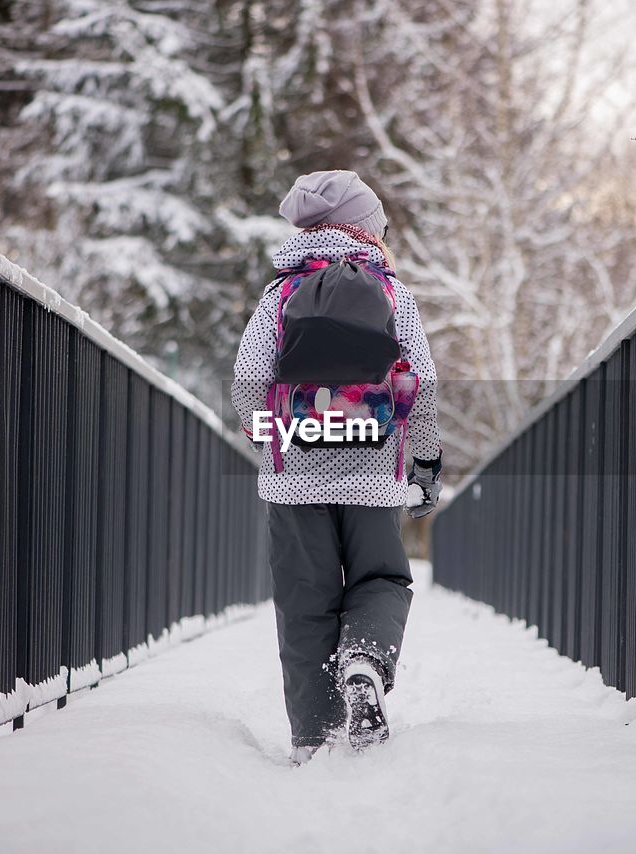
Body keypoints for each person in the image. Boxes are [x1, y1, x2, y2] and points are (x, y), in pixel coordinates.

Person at [231, 170, 442, 765]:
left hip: (294, 475)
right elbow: (420, 384)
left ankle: (312, 739)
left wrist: (273, 440)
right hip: (375, 472)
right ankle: (364, 662)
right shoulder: (392, 294)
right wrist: (423, 462)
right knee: (382, 578)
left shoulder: (280, 296)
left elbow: (248, 382)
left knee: (304, 601)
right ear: (367, 227)